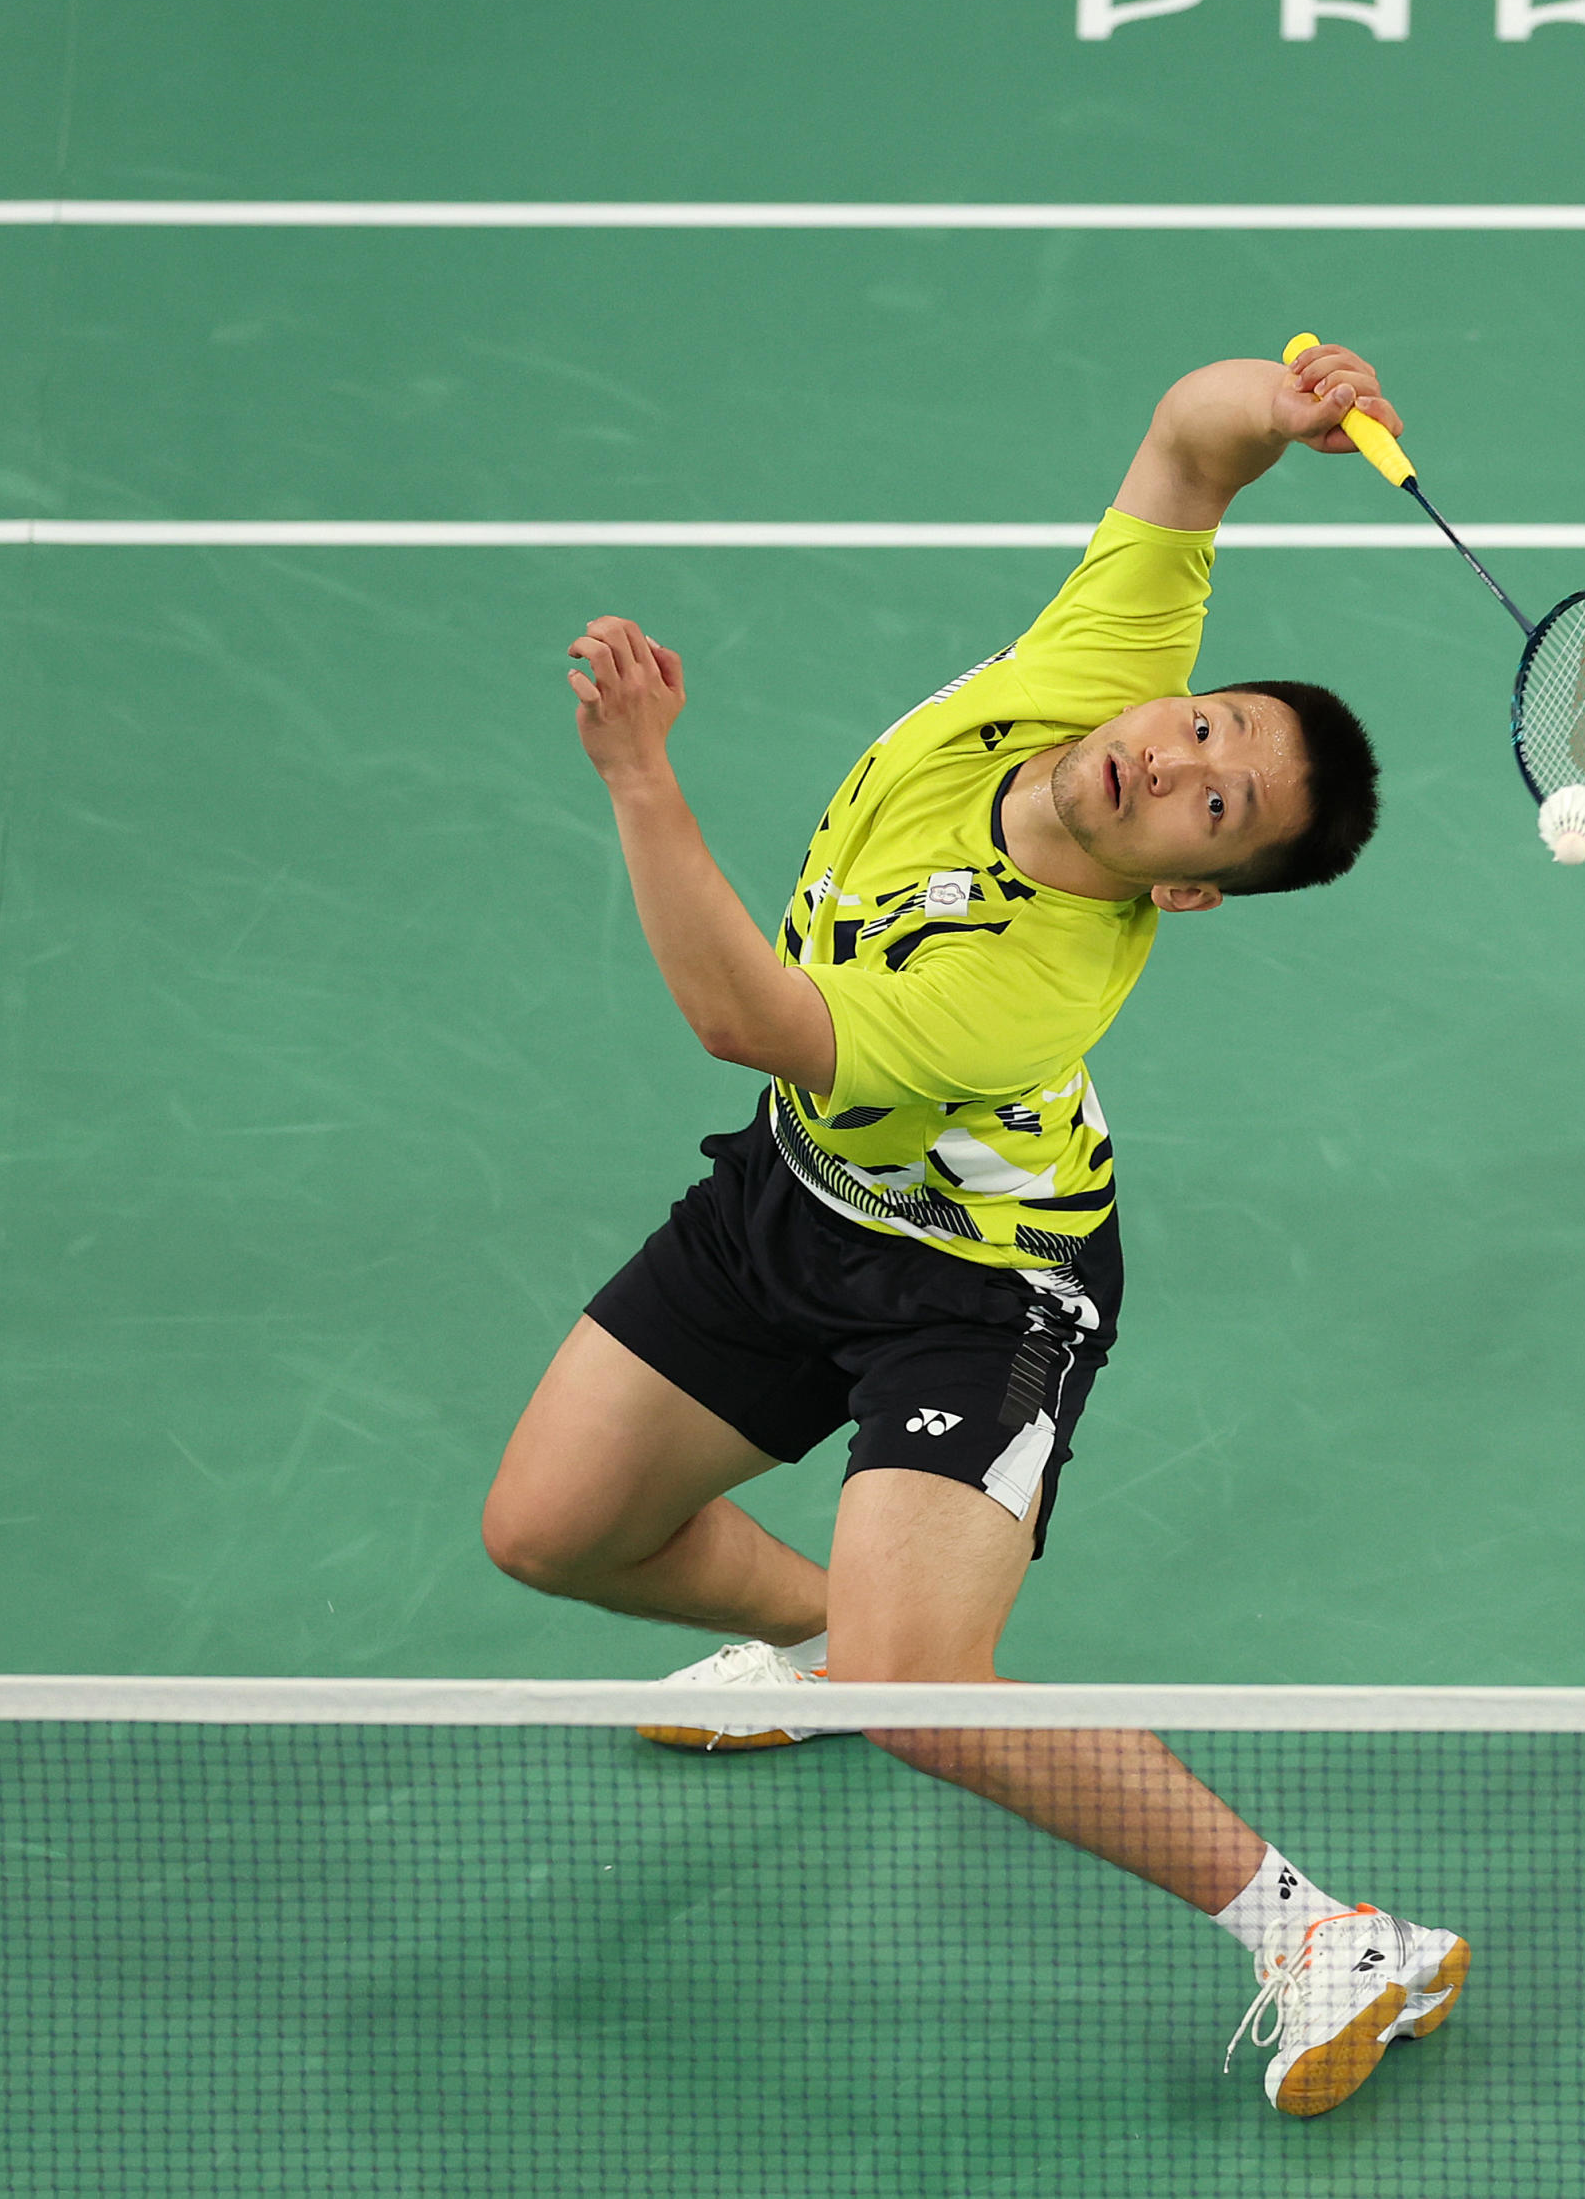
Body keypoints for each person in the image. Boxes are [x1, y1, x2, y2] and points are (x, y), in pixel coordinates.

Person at [481, 341, 1459, 2118]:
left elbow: (741, 1013)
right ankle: (821, 1650)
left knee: (925, 1695)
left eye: (1214, 804)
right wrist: (1287, 402)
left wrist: (642, 780)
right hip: (795, 1197)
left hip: (982, 1284)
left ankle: (1321, 1932)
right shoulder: (1100, 673)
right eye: (1208, 723)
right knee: (551, 1531)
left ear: (1188, 881)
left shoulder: (1021, 989)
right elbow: (1189, 436)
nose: (1174, 757)